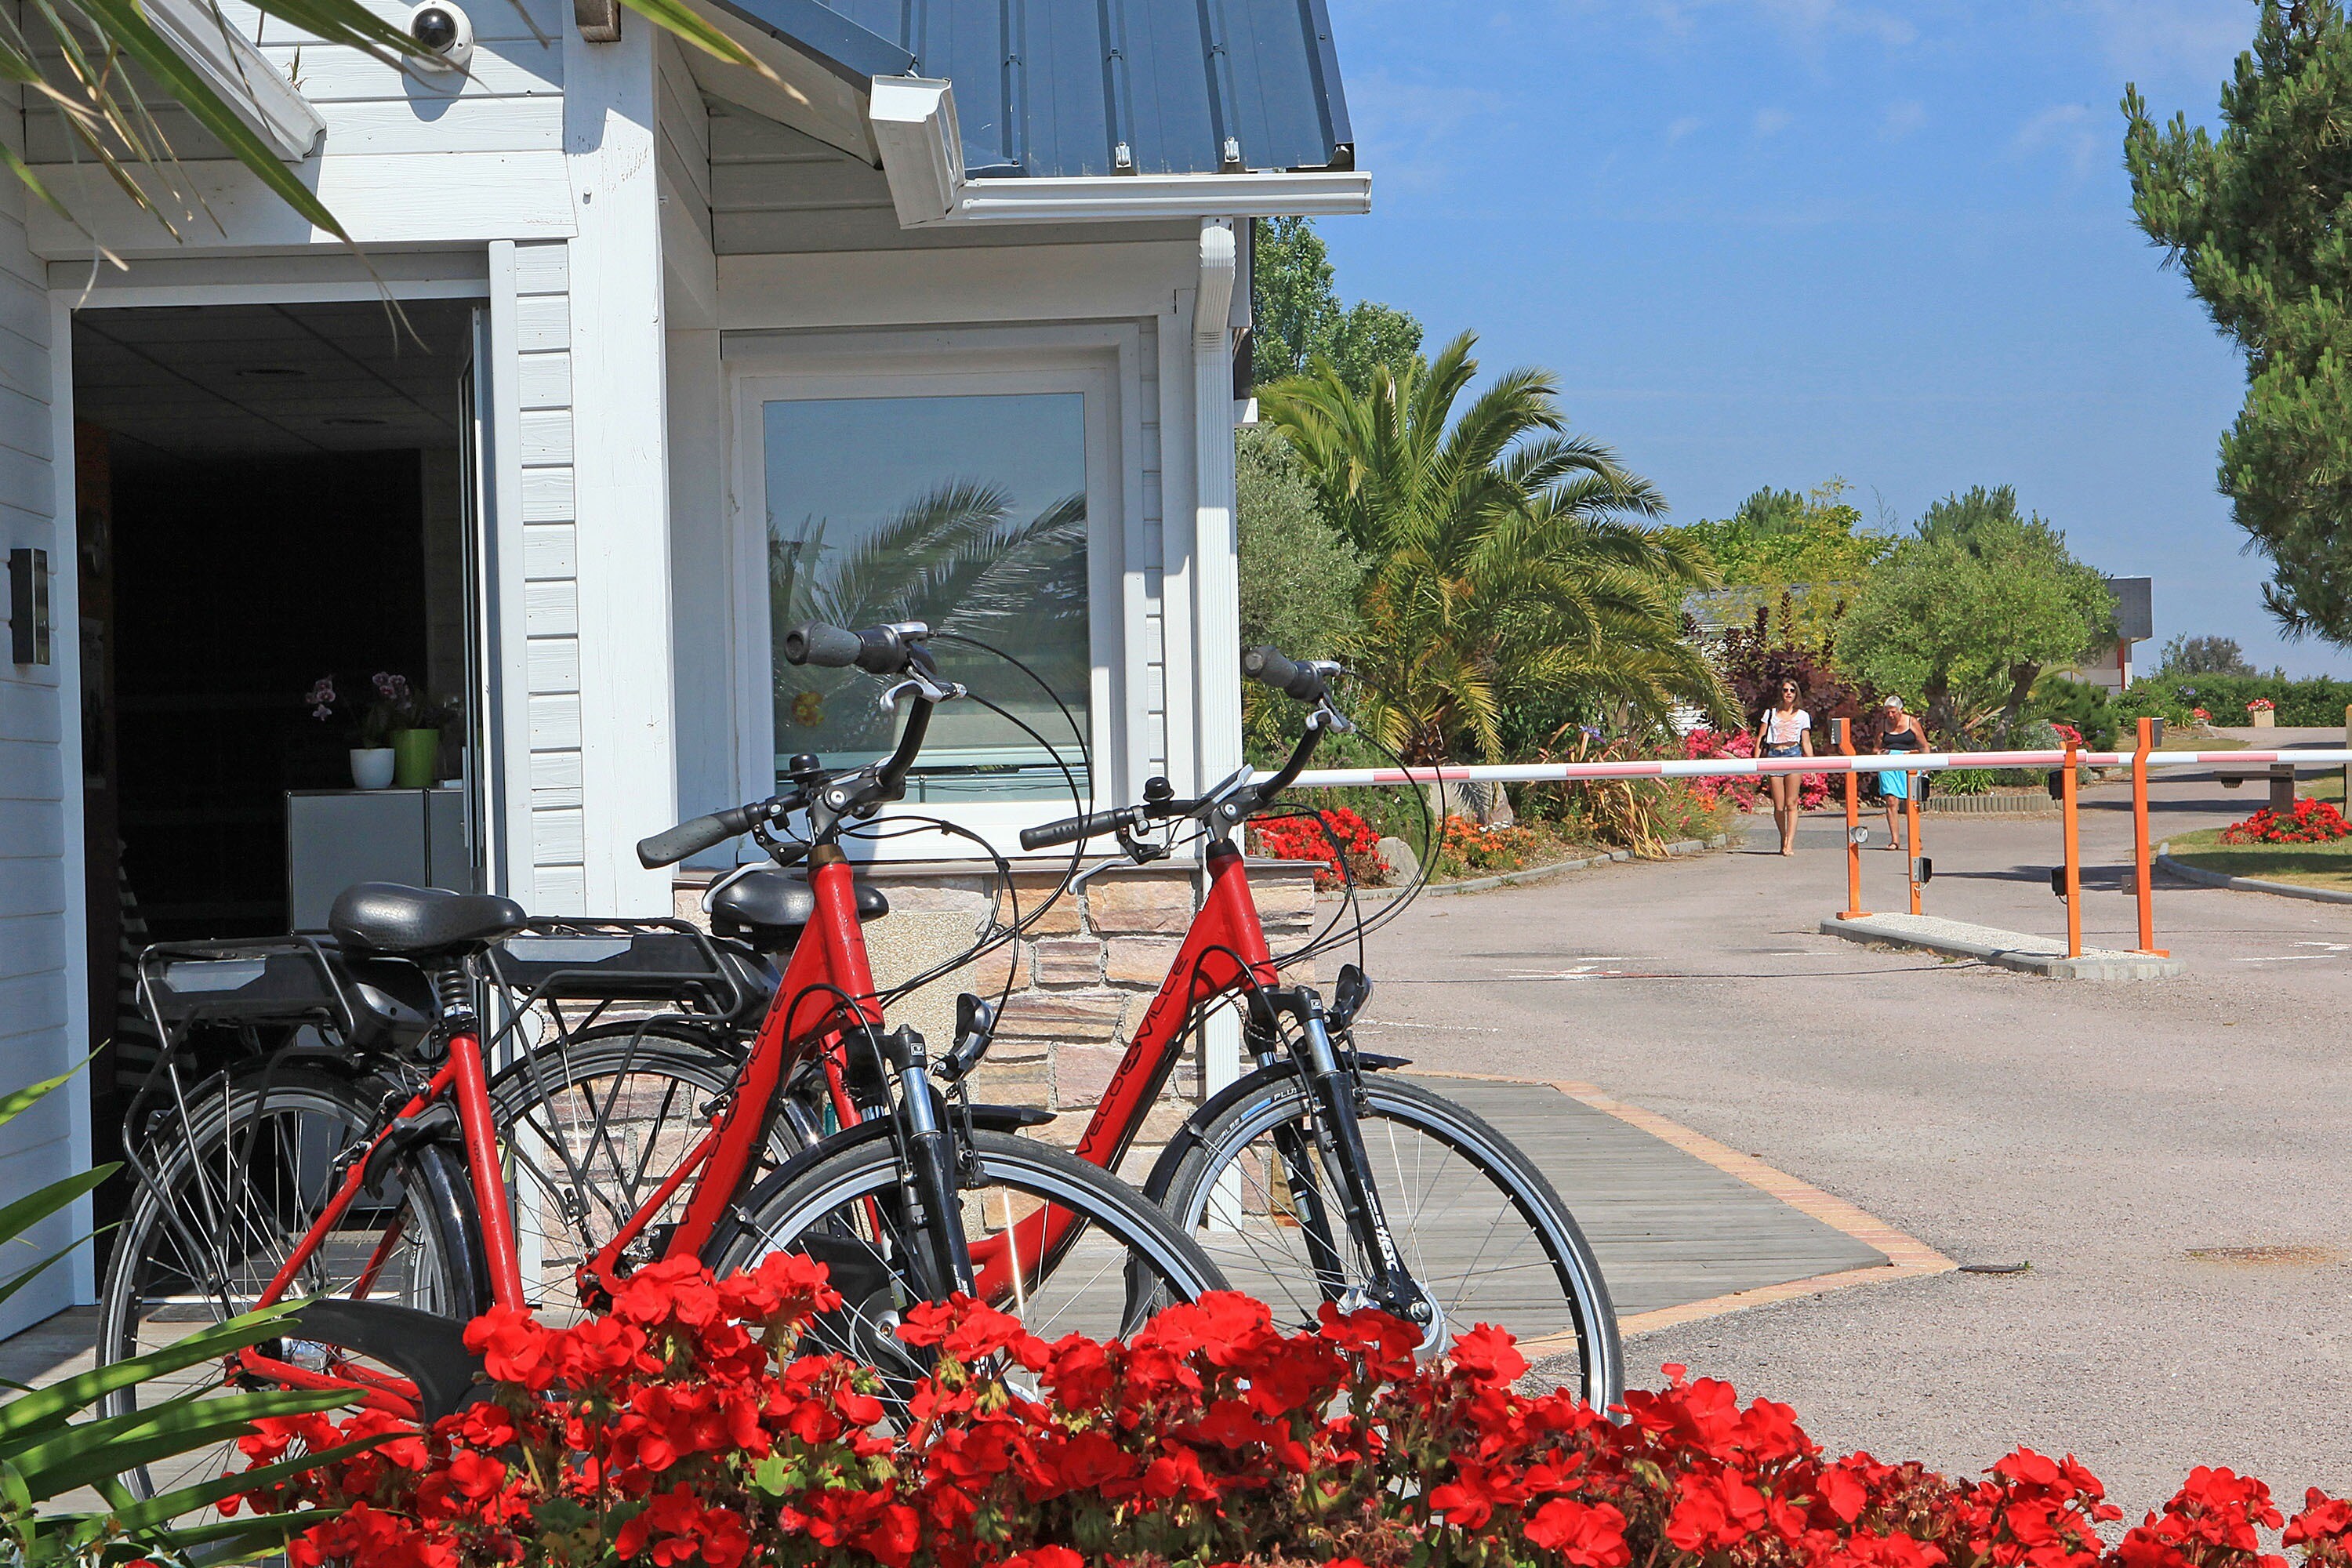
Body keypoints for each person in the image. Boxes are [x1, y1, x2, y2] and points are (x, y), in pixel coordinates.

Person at [1758, 677, 1813, 856]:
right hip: (1774, 756)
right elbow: (1761, 739)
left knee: (1792, 803)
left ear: (1796, 693)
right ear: (1781, 693)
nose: (1788, 693)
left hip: (1793, 755)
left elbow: (1806, 742)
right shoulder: (1771, 713)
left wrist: (1811, 765)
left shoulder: (1803, 716)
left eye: (1792, 690)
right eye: (1785, 690)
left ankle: (1790, 842)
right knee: (1779, 806)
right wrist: (1754, 762)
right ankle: (1783, 837)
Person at [1878, 694, 1929, 852]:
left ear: (1901, 711)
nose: (1890, 716)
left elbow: (1924, 745)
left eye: (1893, 712)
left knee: (1910, 803)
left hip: (1909, 761)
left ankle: (1916, 837)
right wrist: (1878, 755)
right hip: (1888, 763)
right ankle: (1895, 840)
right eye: (1887, 713)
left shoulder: (1911, 722)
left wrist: (1926, 763)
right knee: (1891, 800)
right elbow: (1876, 747)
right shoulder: (1883, 725)